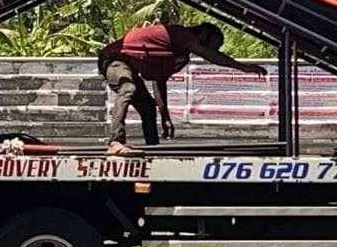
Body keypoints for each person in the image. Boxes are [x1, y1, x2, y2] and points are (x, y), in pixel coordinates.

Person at [98, 22, 267, 154]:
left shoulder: (178, 57)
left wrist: (165, 116)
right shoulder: (179, 33)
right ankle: (115, 142)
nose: (211, 50)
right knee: (128, 88)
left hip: (131, 66)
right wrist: (242, 67)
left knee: (148, 108)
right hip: (113, 58)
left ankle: (153, 149)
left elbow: (159, 81)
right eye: (211, 45)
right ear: (203, 34)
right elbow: (209, 55)